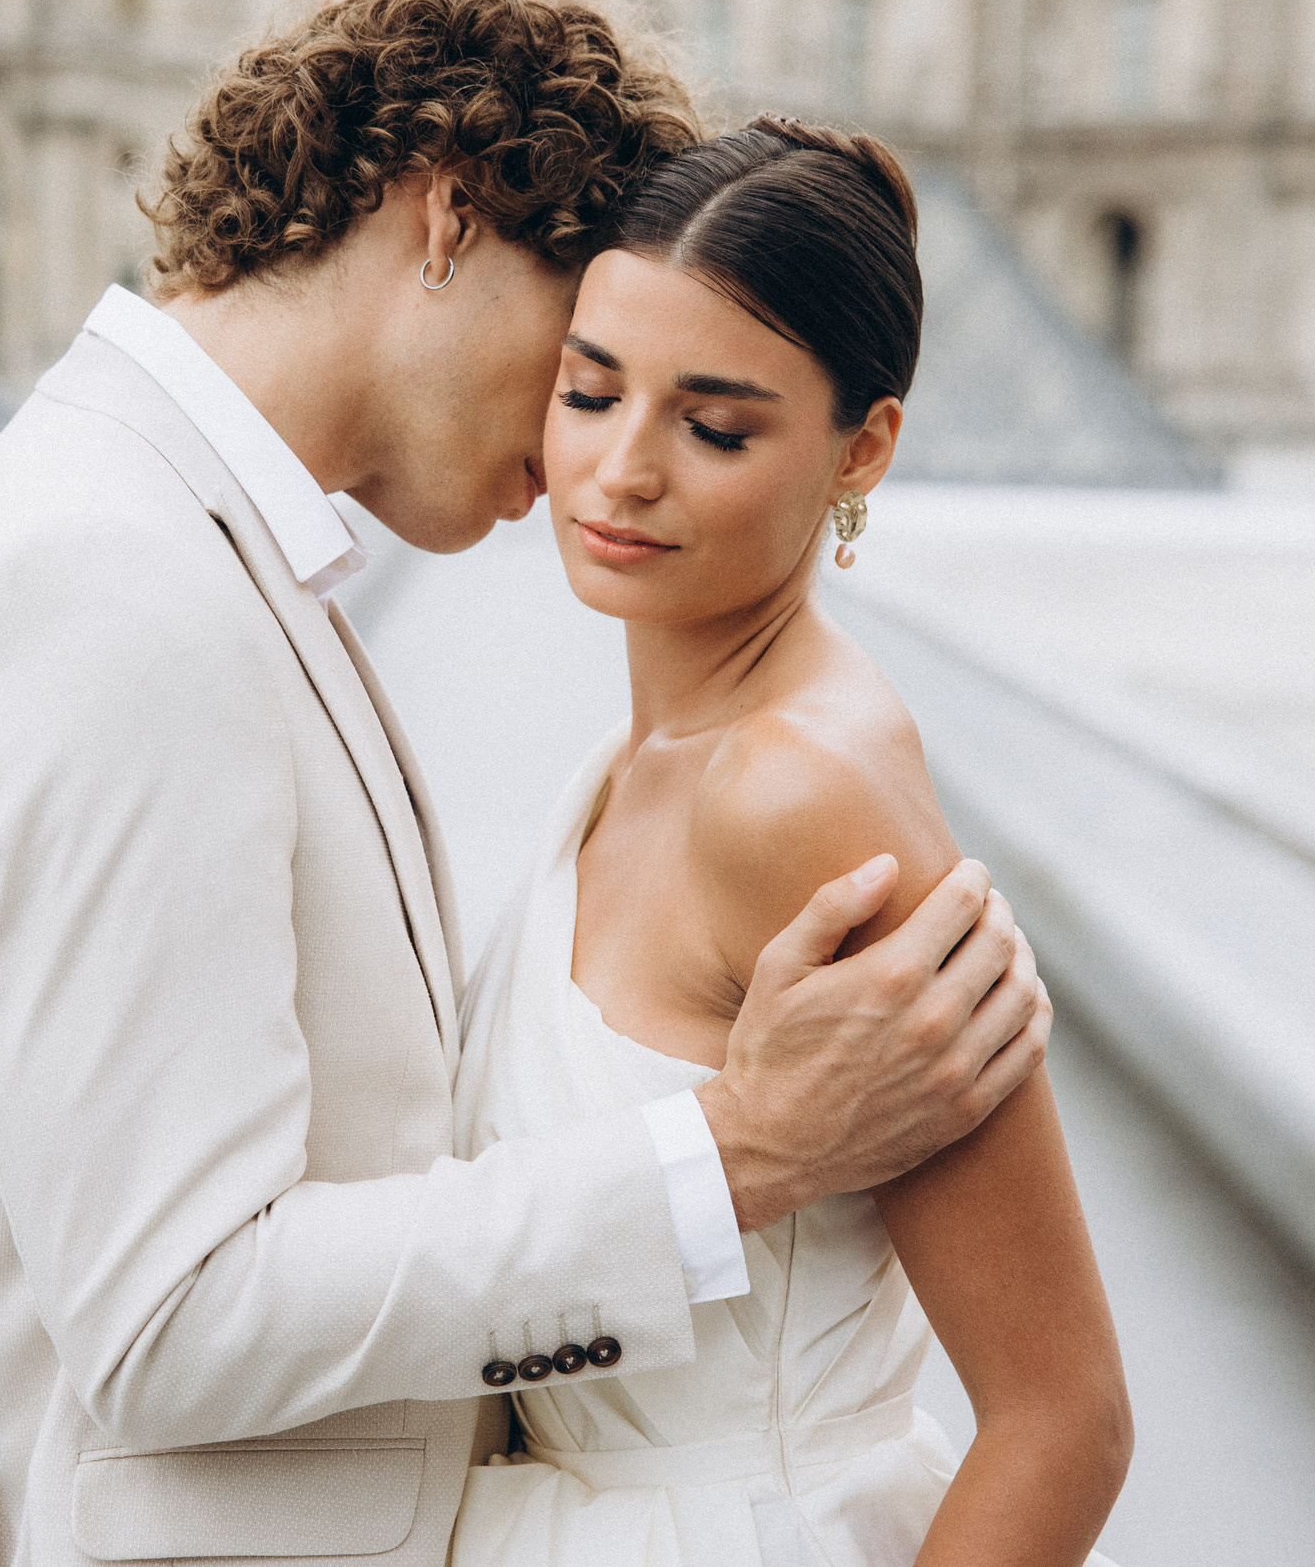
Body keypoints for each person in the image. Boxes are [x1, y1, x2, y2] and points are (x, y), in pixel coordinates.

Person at [0, 0, 1052, 1567]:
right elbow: (173, 1316)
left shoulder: (181, 545)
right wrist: (738, 1152)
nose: (579, 445)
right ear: (450, 212)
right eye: (579, 360)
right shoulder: (106, 584)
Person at [449, 118, 1132, 1567]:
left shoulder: (799, 794)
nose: (620, 469)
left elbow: (1063, 1416)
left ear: (861, 445)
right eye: (590, 390)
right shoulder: (649, 753)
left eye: (713, 425)